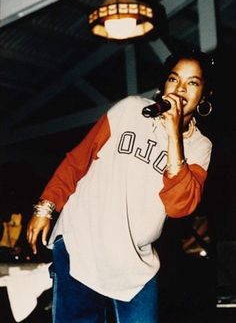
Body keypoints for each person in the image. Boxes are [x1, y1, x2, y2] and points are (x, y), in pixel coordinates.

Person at [27, 48, 214, 323]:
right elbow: (78, 160)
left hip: (134, 260)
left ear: (204, 96)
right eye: (174, 79)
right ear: (164, 85)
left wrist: (173, 135)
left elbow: (179, 206)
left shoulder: (200, 147)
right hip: (83, 241)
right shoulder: (129, 110)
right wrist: (45, 206)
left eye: (193, 83)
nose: (180, 89)